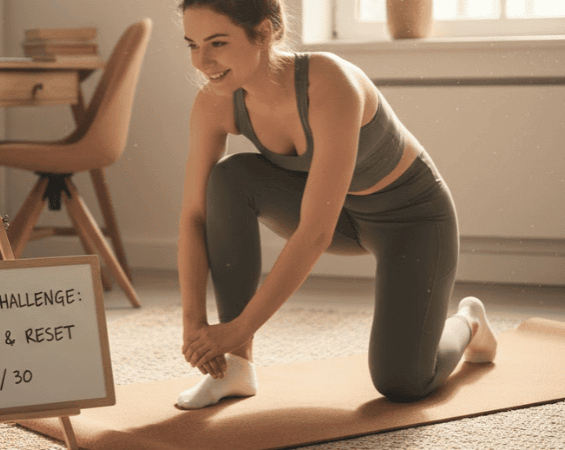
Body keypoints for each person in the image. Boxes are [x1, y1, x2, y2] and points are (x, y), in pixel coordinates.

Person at [176, 0, 497, 409]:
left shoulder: (328, 82)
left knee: (403, 383)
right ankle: (237, 369)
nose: (202, 61)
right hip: (342, 215)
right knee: (228, 178)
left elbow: (314, 233)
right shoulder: (215, 102)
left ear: (265, 32)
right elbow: (194, 214)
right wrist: (193, 322)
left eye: (217, 42)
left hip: (411, 222)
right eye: (191, 45)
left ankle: (469, 321)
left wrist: (238, 327)